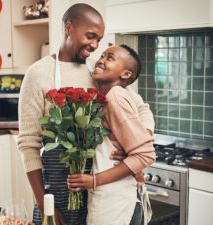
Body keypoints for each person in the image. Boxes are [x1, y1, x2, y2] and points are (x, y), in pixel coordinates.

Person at [18, 4, 154, 225]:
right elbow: (28, 145)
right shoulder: (37, 74)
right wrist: (44, 204)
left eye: (99, 39)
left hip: (99, 189)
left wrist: (133, 143)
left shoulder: (97, 72)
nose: (94, 46)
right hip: (59, 189)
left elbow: (141, 108)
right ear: (69, 28)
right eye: (90, 36)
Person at [67, 44, 156, 225]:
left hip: (116, 201)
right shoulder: (107, 95)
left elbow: (146, 154)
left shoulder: (116, 95)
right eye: (102, 55)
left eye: (110, 58)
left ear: (125, 75)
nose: (100, 60)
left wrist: (93, 180)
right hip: (113, 197)